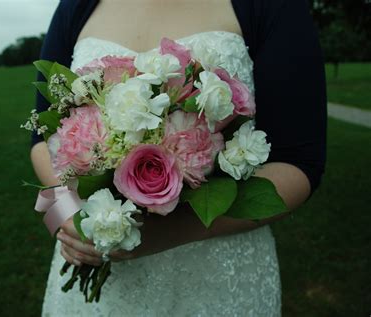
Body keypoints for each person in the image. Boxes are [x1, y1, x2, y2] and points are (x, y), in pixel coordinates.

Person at [30, 0, 327, 315]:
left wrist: (169, 233)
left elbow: (299, 162)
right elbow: (42, 140)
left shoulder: (269, 7)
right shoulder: (76, 6)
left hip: (216, 281)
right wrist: (69, 217)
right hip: (99, 285)